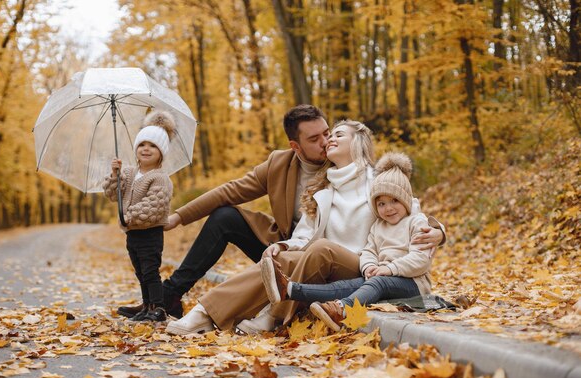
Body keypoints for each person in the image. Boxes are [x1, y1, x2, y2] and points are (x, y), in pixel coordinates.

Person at [165, 120, 445, 335]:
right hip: (321, 264)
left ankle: (271, 314)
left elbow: (412, 210)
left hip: (363, 266)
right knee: (281, 257)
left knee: (321, 249)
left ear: (358, 142)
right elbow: (305, 235)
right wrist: (283, 245)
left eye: (339, 134)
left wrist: (439, 231)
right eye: (329, 135)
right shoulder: (322, 186)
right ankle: (205, 312)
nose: (330, 139)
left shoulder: (379, 179)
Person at [116, 104, 331, 319]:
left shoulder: (341, 161)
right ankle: (169, 295)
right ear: (295, 146)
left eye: (327, 133)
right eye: (314, 139)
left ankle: (162, 299)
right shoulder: (280, 163)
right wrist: (178, 217)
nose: (325, 143)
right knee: (225, 217)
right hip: (282, 249)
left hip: (322, 256)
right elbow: (231, 190)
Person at [263, 152, 435, 332]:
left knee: (379, 283)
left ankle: (342, 309)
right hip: (383, 278)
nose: (388, 208)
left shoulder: (416, 222)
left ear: (405, 200)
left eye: (394, 201)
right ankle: (289, 289)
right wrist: (368, 266)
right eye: (381, 204)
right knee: (346, 286)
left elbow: (420, 260)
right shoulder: (378, 226)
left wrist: (389, 269)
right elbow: (370, 250)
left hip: (413, 283)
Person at [102, 111, 174, 322]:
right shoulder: (129, 173)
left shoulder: (160, 178)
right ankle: (146, 305)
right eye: (142, 144)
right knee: (140, 271)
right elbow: (111, 194)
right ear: (136, 149)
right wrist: (115, 175)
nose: (146, 149)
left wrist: (127, 216)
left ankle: (158, 307)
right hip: (132, 234)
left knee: (151, 270)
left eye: (153, 146)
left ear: (161, 153)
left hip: (150, 234)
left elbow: (153, 207)